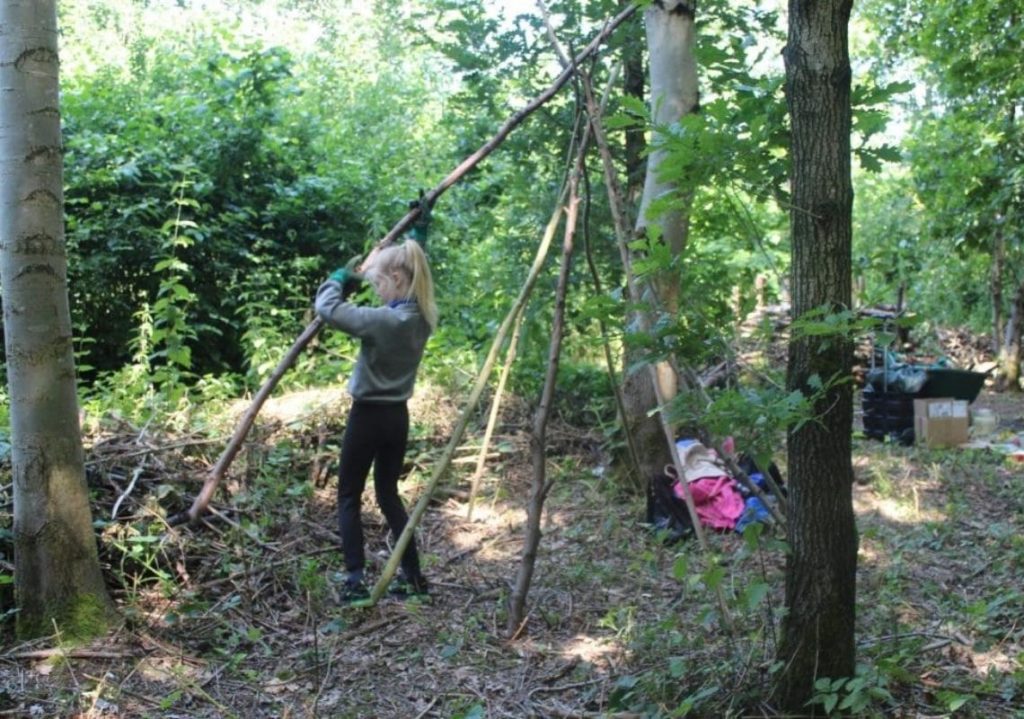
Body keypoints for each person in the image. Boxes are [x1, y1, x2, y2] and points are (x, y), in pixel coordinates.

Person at [314, 238, 438, 604]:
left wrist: (339, 279)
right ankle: (413, 577)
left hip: (367, 417)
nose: (378, 292)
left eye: (380, 284)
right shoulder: (423, 317)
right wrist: (417, 229)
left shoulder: (384, 321)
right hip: (397, 417)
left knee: (348, 494)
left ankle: (354, 581)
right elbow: (417, 265)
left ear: (398, 278)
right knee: (388, 495)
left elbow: (327, 308)